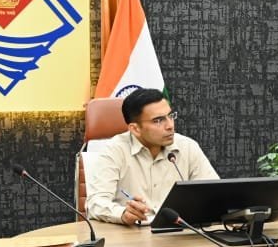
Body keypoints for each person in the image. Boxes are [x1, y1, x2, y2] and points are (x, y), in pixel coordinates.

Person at [86, 88, 218, 226]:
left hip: (179, 230)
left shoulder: (187, 147)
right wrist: (123, 213)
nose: (170, 125)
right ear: (135, 129)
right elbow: (95, 203)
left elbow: (214, 194)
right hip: (132, 233)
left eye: (170, 116)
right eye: (158, 120)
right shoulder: (115, 150)